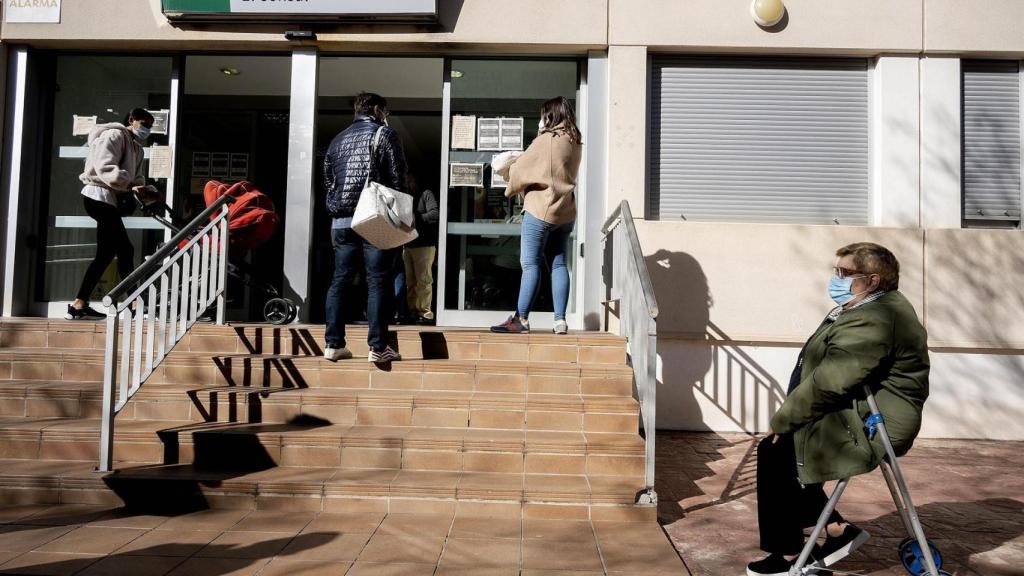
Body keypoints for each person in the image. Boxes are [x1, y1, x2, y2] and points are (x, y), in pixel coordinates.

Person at [747, 243, 930, 576]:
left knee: (777, 450)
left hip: (875, 424)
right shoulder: (863, 307)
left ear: (872, 280)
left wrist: (785, 417)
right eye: (837, 272)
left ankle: (788, 551)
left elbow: (833, 378)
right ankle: (834, 531)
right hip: (854, 411)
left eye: (845, 274)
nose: (837, 279)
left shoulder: (877, 317)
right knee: (788, 448)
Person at [323, 92, 408, 363]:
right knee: (378, 281)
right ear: (375, 109)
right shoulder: (383, 134)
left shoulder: (337, 139)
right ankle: (378, 346)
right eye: (385, 110)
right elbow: (397, 176)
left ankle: (334, 344)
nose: (387, 115)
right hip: (372, 216)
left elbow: (328, 180)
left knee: (340, 280)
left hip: (341, 221)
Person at [490, 96, 582, 335]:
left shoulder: (547, 140)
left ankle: (521, 319)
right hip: (565, 211)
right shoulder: (574, 140)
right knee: (558, 263)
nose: (541, 120)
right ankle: (560, 320)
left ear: (549, 116)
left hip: (541, 208)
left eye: (543, 115)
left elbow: (520, 170)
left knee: (530, 264)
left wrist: (509, 179)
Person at [67, 108, 157, 320]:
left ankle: (78, 304)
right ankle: (135, 302)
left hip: (108, 200)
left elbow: (136, 178)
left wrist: (145, 190)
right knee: (126, 249)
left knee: (105, 254)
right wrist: (129, 185)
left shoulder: (136, 148)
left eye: (150, 126)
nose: (146, 129)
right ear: (132, 119)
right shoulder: (114, 135)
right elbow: (104, 166)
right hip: (97, 195)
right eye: (143, 123)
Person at [401, 173, 439, 325]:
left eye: (409, 179)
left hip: (424, 245)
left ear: (415, 180)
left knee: (423, 281)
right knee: (410, 282)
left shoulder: (426, 194)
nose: (407, 183)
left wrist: (416, 219)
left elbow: (435, 214)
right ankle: (411, 311)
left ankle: (425, 313)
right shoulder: (404, 197)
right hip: (407, 244)